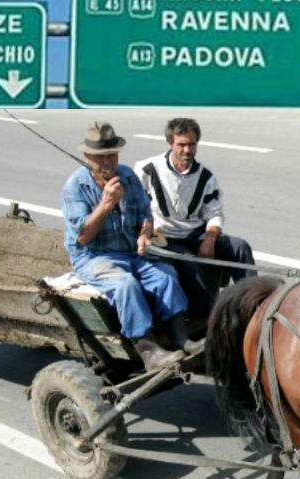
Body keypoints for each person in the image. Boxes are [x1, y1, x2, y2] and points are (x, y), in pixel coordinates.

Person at [60, 121, 202, 371]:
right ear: (87, 157)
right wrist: (105, 205)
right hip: (94, 257)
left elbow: (145, 214)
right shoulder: (75, 187)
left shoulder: (127, 176)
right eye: (100, 158)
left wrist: (145, 233)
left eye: (112, 156)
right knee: (126, 284)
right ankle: (147, 350)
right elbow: (82, 237)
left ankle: (182, 339)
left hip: (130, 252)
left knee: (166, 276)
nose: (107, 163)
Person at [134, 118, 255, 316]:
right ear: (170, 144)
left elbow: (214, 212)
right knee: (193, 266)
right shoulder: (147, 169)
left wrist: (209, 239)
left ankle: (253, 306)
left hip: (195, 234)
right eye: (181, 145)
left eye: (192, 144)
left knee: (239, 246)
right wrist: (145, 231)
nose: (187, 151)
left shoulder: (205, 176)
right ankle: (212, 317)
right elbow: (136, 206)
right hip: (164, 238)